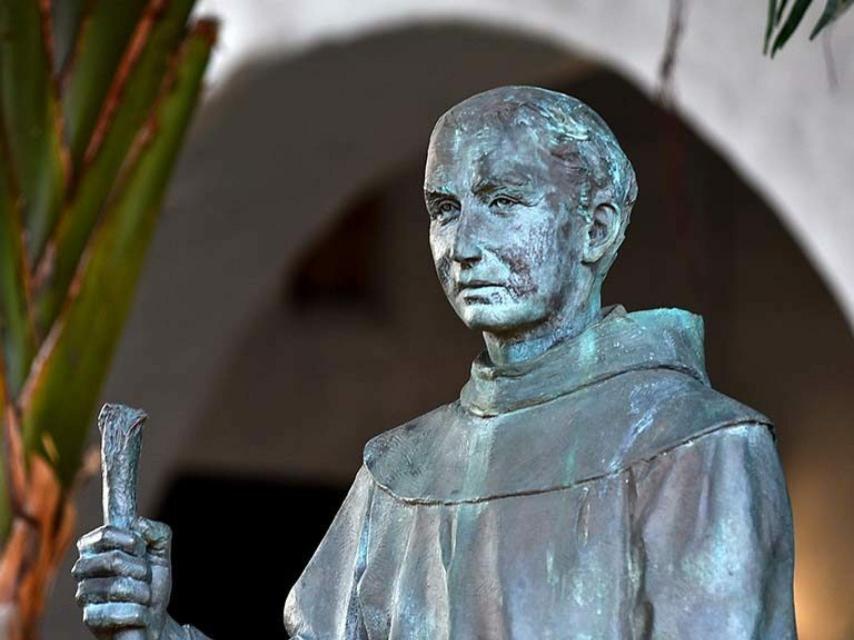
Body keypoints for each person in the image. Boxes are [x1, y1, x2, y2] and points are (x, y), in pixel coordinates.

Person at [73, 86, 797, 639]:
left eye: (504, 200)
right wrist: (153, 629)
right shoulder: (400, 471)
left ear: (596, 227)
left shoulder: (696, 448)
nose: (464, 244)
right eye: (444, 209)